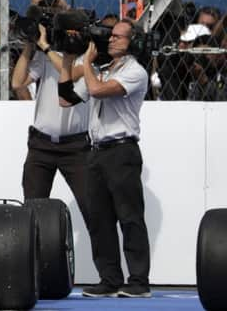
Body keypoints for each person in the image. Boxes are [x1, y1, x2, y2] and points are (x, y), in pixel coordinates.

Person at [58, 19, 151, 298]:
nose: (111, 40)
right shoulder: (101, 70)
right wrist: (67, 60)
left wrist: (85, 62)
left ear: (132, 42)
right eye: (110, 36)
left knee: (129, 217)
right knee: (99, 219)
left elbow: (98, 91)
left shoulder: (135, 71)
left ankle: (138, 281)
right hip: (96, 152)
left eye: (119, 37)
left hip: (122, 151)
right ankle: (109, 278)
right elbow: (65, 99)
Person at [11, 23, 90, 228]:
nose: (70, 37)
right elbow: (17, 83)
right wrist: (29, 49)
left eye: (75, 33)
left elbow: (70, 74)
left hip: (75, 148)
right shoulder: (47, 57)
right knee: (32, 212)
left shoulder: (89, 60)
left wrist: (45, 48)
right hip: (40, 145)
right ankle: (34, 257)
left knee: (91, 206)